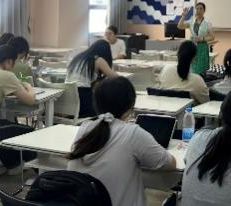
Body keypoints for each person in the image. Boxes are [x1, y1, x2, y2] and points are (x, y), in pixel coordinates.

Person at [67, 77, 176, 206]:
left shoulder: (85, 127)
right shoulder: (133, 133)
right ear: (130, 106)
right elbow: (169, 163)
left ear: (96, 104)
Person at [66, 39, 118, 117]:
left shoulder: (79, 57)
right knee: (105, 106)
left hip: (68, 99)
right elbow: (116, 77)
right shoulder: (98, 60)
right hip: (82, 99)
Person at [178, 2, 215, 75]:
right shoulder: (191, 21)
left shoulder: (207, 23)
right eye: (197, 8)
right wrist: (184, 15)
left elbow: (212, 37)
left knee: (201, 70)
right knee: (192, 69)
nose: (199, 10)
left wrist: (202, 39)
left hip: (202, 48)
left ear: (204, 11)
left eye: (201, 8)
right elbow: (179, 26)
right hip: (192, 47)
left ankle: (201, 80)